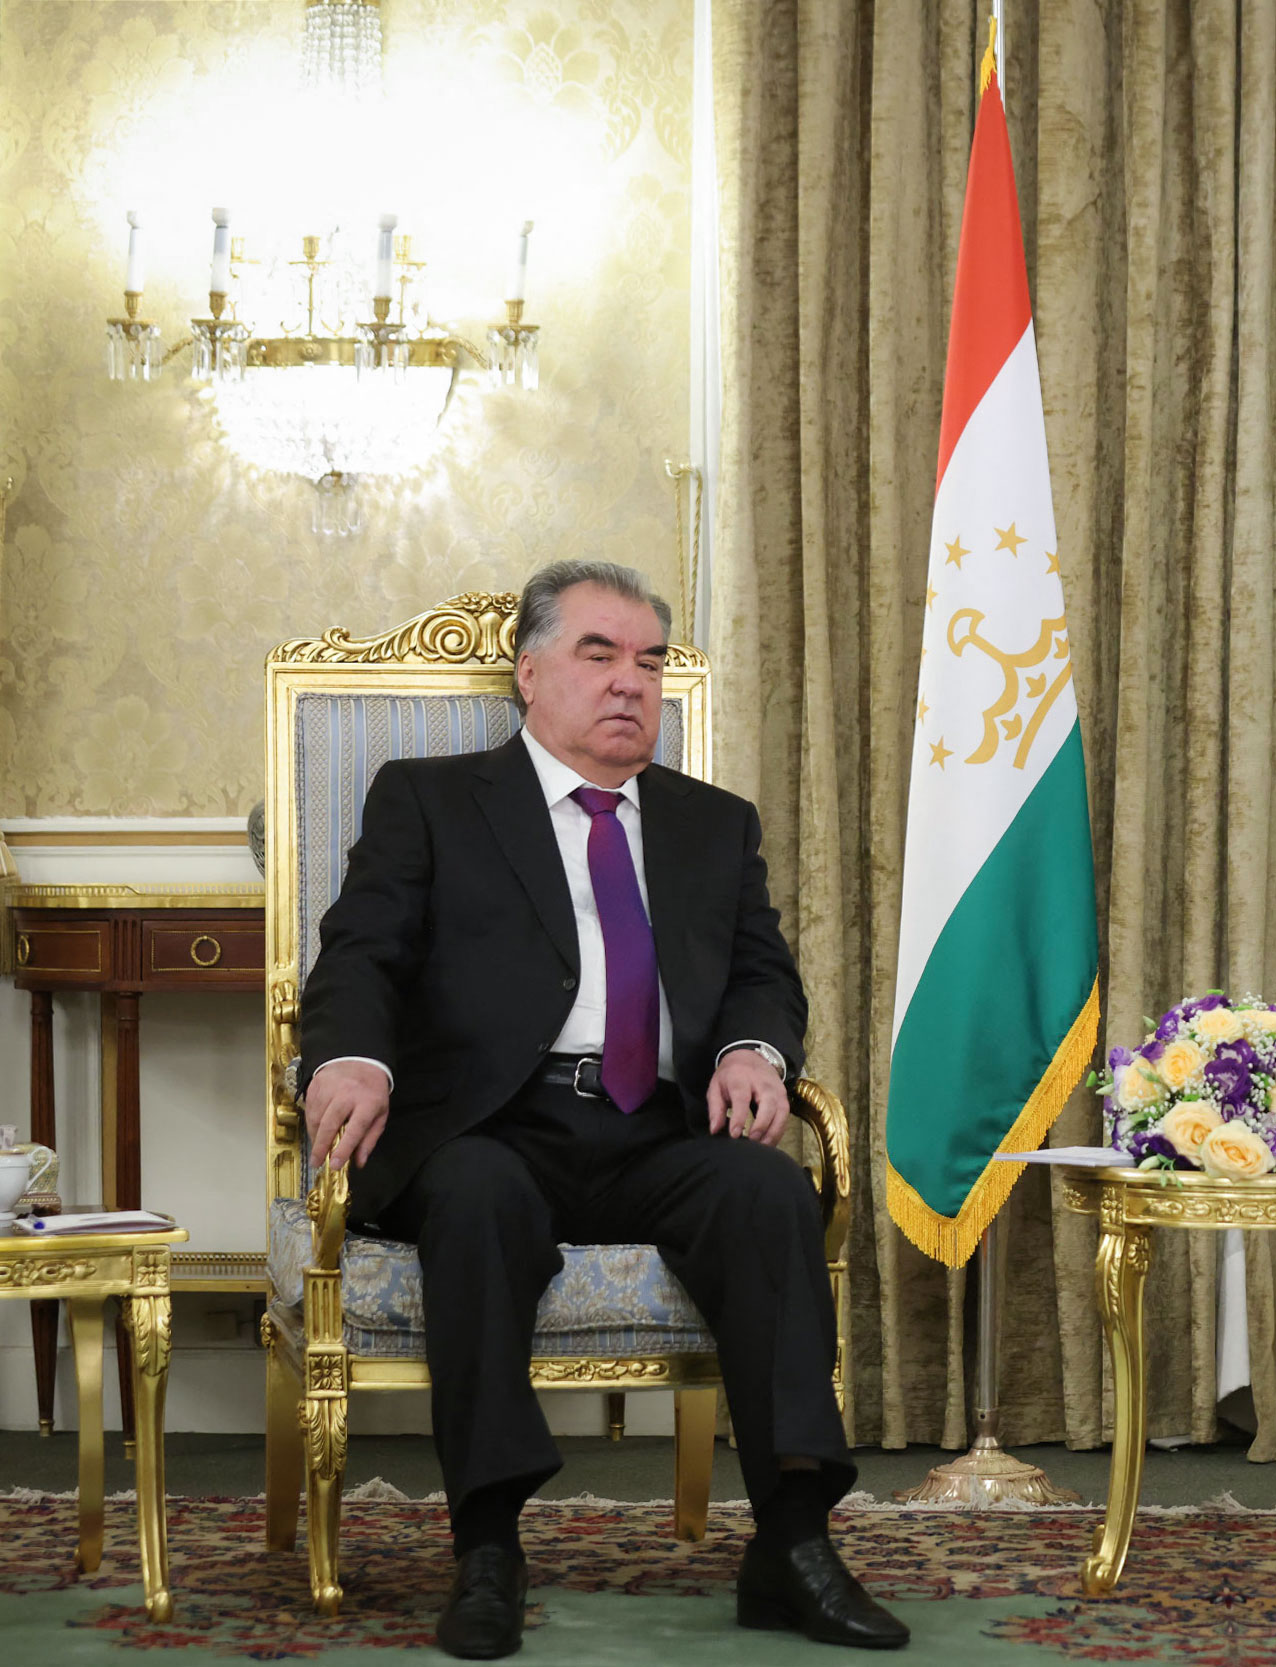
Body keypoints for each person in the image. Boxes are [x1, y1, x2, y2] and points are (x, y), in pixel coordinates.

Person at [300, 561, 907, 1658]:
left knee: (770, 1190)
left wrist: (752, 1050)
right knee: (476, 1196)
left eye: (649, 659)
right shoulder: (431, 798)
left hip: (656, 1129)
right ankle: (487, 1544)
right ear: (530, 674)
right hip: (492, 1125)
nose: (631, 682)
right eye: (598, 653)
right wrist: (352, 1058)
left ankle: (794, 1538)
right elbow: (362, 953)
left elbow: (764, 975)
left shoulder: (711, 824)